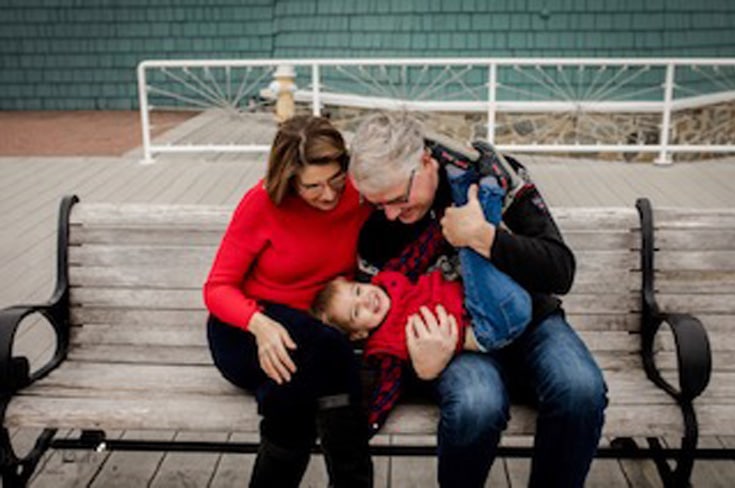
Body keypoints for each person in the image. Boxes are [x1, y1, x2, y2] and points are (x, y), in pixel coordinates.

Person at [349, 112, 607, 488]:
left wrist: (484, 237)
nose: (390, 214)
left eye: (398, 199)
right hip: (452, 342)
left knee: (580, 389)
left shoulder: (493, 176)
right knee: (476, 403)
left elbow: (560, 270)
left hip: (529, 321)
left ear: (424, 161)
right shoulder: (378, 225)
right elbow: (373, 327)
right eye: (378, 204)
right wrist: (418, 368)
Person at [204, 115, 373, 488]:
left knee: (293, 394)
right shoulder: (261, 204)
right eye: (313, 186)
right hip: (245, 330)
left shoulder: (360, 196)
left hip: (313, 340)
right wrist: (260, 325)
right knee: (330, 351)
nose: (328, 194)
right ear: (289, 178)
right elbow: (217, 288)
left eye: (335, 180)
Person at [311, 170, 532, 434]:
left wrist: (440, 227)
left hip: (482, 296)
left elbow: (419, 252)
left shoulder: (390, 278)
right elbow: (387, 388)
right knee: (472, 252)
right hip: (489, 326)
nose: (366, 300)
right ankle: (485, 197)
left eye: (358, 291)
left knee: (471, 249)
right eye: (357, 312)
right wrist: (369, 424)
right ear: (360, 332)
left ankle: (471, 194)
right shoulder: (386, 347)